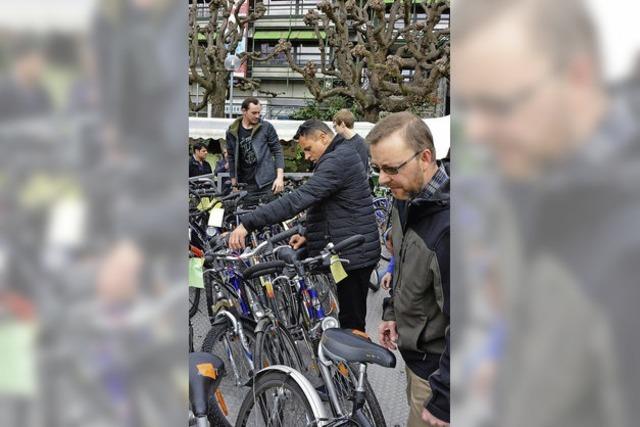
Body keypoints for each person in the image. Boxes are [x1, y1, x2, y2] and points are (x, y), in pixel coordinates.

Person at [228, 119, 380, 332]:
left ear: (324, 137)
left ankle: (357, 361)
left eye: (308, 149)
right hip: (352, 248)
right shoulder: (340, 155)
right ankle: (350, 359)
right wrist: (307, 233)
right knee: (350, 317)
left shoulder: (338, 160)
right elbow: (331, 205)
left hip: (353, 252)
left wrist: (248, 223)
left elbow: (299, 199)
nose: (307, 156)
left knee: (352, 324)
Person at [368, 112, 450, 427]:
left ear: (425, 157)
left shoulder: (452, 227)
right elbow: (403, 263)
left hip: (437, 373)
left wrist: (444, 399)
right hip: (417, 359)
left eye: (391, 169)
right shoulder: (406, 198)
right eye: (378, 169)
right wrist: (391, 311)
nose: (383, 180)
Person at [225, 97, 285, 205]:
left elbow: (278, 151)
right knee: (249, 217)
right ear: (244, 111)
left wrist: (279, 177)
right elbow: (231, 157)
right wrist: (234, 183)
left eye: (259, 112)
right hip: (246, 184)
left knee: (272, 217)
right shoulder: (232, 131)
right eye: (254, 113)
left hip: (267, 182)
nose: (257, 116)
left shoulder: (266, 127)